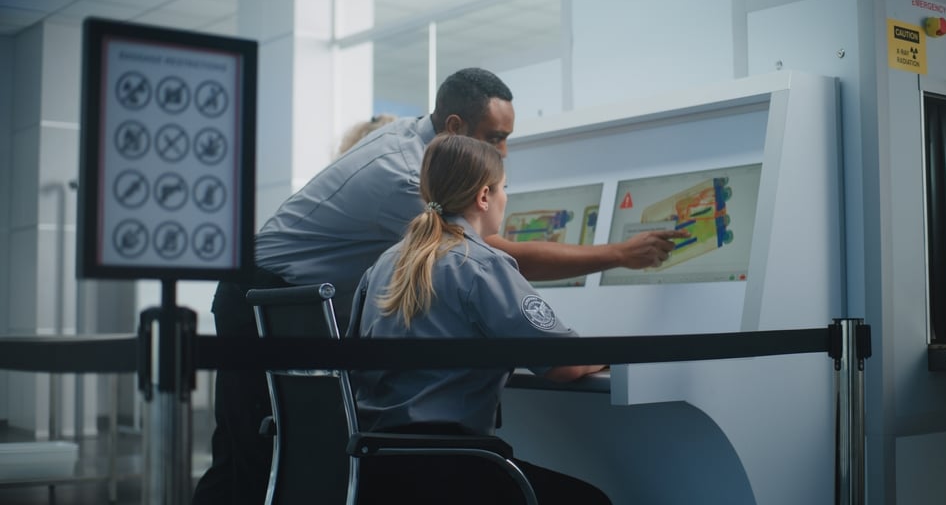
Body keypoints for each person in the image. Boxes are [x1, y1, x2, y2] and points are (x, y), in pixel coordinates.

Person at [192, 67, 687, 505]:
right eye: (496, 139)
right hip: (261, 299)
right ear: (481, 188)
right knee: (253, 461)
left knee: (247, 455)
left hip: (377, 455)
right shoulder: (416, 193)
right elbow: (553, 346)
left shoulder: (384, 261)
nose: (502, 151)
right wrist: (619, 256)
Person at [351, 134, 611, 504]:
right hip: (452, 467)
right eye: (504, 188)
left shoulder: (384, 264)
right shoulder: (482, 264)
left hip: (376, 468)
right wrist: (607, 353)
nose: (505, 198)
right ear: (484, 196)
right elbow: (563, 365)